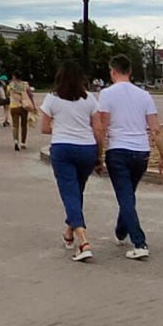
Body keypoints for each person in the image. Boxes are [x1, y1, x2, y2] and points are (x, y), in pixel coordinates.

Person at [96, 54, 163, 260]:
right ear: (130, 71)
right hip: (141, 151)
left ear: (112, 71)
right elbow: (156, 129)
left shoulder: (106, 94)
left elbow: (102, 128)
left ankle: (139, 242)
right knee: (128, 194)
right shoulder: (144, 95)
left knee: (125, 196)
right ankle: (121, 230)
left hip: (118, 150)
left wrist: (99, 156)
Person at [40, 61, 101, 262]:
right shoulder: (90, 99)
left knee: (69, 193)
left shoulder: (52, 99)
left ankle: (83, 241)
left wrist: (61, 126)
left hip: (63, 149)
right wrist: (99, 155)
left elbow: (45, 128)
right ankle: (69, 232)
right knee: (76, 192)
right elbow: (98, 129)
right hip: (86, 149)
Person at [7, 74, 37, 151]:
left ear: (14, 77)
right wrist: (33, 106)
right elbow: (30, 96)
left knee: (15, 125)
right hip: (24, 106)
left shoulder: (10, 85)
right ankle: (23, 143)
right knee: (24, 125)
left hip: (14, 106)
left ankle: (16, 141)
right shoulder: (25, 85)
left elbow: (7, 94)